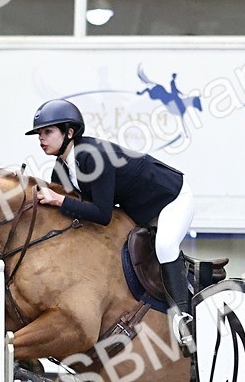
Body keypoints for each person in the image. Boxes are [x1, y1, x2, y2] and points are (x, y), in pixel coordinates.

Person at [26, 98, 197, 355]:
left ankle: (184, 318)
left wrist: (59, 200)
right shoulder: (61, 169)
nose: (41, 138)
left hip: (171, 198)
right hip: (139, 209)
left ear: (69, 132)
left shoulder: (95, 157)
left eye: (48, 131)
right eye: (39, 133)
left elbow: (102, 214)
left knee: (165, 245)